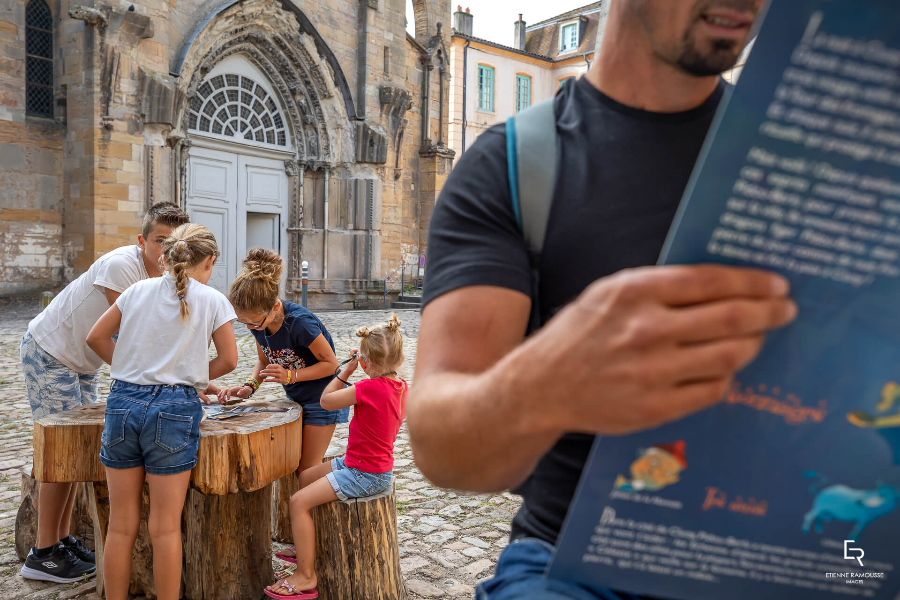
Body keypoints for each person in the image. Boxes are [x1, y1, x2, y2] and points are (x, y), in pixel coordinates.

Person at [408, 1, 798, 598]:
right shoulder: (511, 166)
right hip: (579, 561)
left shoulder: (809, 167)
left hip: (795, 554)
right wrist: (549, 381)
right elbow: (440, 446)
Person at [19, 202, 189, 583]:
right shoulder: (121, 267)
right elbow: (133, 338)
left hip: (83, 362)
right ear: (142, 240)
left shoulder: (168, 276)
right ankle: (43, 552)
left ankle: (61, 540)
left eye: (175, 242)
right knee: (61, 452)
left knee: (78, 452)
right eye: (160, 241)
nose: (167, 251)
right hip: (52, 353)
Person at [85, 223, 238, 600]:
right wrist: (191, 377)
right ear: (211, 261)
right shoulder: (214, 300)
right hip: (175, 410)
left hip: (123, 404)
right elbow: (230, 360)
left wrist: (130, 367)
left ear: (164, 255)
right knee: (165, 528)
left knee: (121, 526)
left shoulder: (136, 291)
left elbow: (95, 338)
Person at [264, 315, 407, 600]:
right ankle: (307, 546)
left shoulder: (366, 388)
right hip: (361, 463)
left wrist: (345, 372)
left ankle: (306, 575)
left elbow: (326, 401)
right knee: (306, 476)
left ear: (364, 362)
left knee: (297, 502)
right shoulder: (401, 386)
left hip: (365, 475)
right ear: (400, 359)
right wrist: (362, 366)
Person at [214, 248, 345, 546]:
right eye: (243, 323)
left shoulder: (300, 323)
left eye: (253, 323)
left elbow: (332, 364)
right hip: (297, 400)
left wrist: (290, 376)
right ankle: (297, 536)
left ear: (274, 307)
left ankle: (316, 541)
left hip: (323, 400)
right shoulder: (258, 323)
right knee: (291, 465)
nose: (249, 328)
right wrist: (249, 386)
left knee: (306, 473)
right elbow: (263, 360)